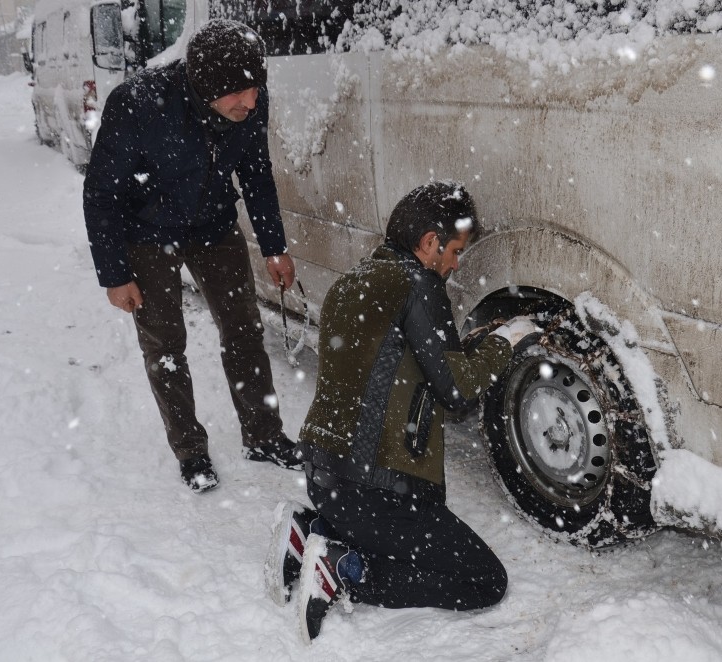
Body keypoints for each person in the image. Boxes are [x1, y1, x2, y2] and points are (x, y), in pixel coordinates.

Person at [264, 181, 520, 643]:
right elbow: (458, 393)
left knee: (399, 538)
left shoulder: (352, 282)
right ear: (428, 243)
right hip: (376, 494)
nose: (456, 264)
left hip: (326, 480)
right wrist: (507, 342)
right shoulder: (418, 284)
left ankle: (309, 529)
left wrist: (473, 349)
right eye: (455, 251)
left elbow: (420, 365)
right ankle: (345, 571)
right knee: (485, 581)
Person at [82, 19, 302, 493]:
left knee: (244, 328)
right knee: (165, 345)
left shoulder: (249, 104)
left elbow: (257, 174)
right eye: (238, 94)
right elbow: (100, 193)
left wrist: (274, 246)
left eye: (255, 89)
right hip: (146, 233)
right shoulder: (138, 103)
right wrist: (116, 274)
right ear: (206, 89)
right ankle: (190, 450)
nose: (251, 102)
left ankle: (263, 436)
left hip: (214, 226)